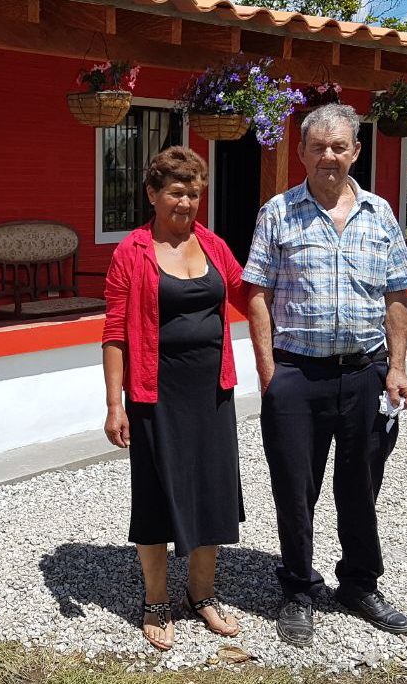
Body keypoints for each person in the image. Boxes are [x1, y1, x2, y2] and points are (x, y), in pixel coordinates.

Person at [242, 102, 407, 646]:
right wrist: (269, 372)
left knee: (361, 486)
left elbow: (397, 295)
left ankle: (359, 585)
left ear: (355, 151)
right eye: (317, 146)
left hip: (366, 374)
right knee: (295, 488)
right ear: (300, 152)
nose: (328, 156)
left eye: (339, 146)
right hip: (297, 373)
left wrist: (397, 367)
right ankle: (298, 589)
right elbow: (257, 293)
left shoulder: (380, 214)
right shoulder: (277, 212)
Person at [102, 145, 247, 651]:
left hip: (212, 391)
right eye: (176, 192)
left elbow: (248, 292)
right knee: (156, 494)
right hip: (154, 391)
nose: (186, 203)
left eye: (194, 194)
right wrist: (115, 404)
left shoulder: (213, 245)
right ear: (152, 193)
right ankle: (156, 600)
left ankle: (201, 594)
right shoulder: (132, 251)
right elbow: (114, 332)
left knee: (212, 489)